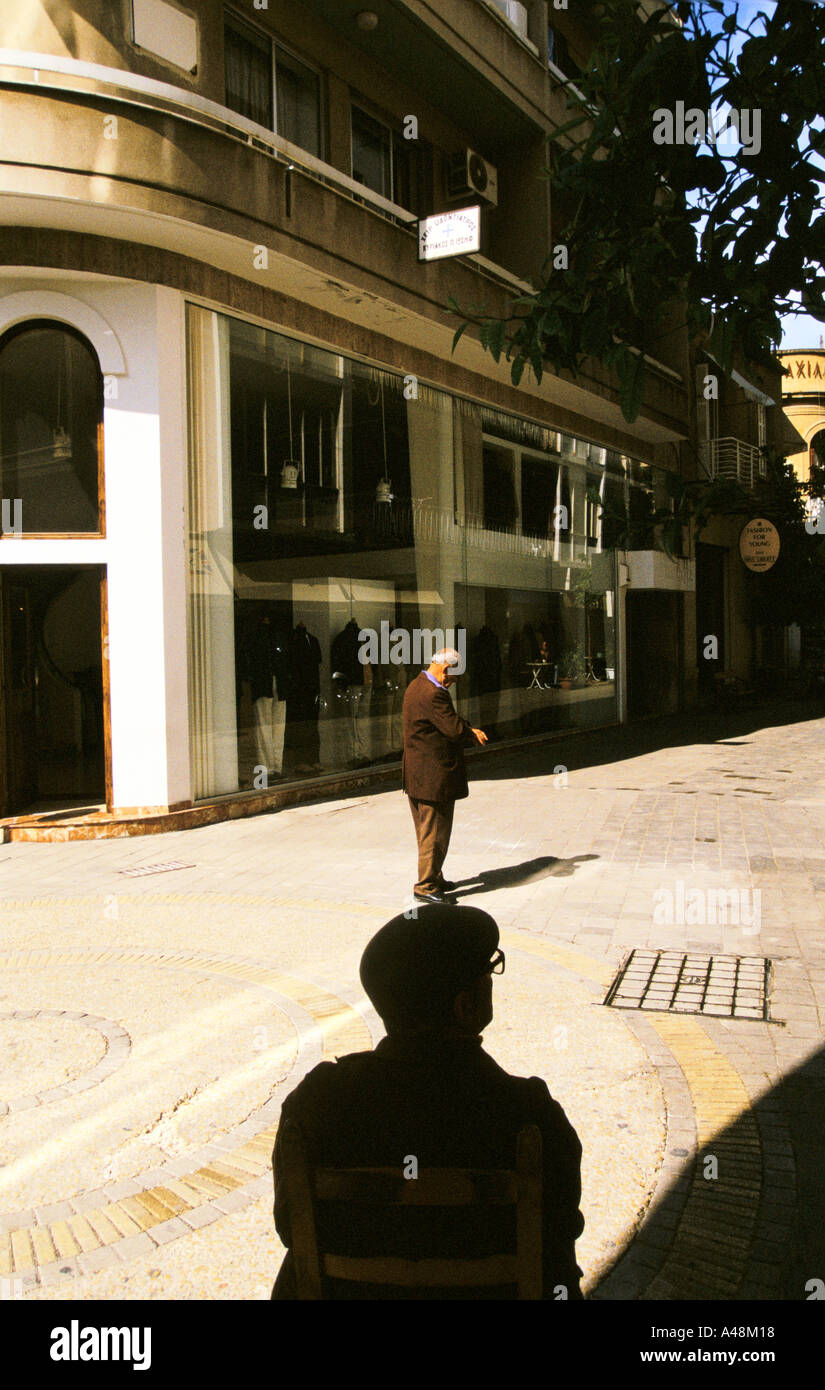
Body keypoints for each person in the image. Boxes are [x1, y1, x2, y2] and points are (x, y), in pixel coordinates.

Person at [270, 904, 585, 1300]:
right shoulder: (531, 1115)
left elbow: (290, 1227)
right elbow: (558, 1235)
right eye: (488, 970)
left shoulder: (315, 1103)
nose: (491, 978)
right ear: (464, 1007)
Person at [401, 647, 487, 906]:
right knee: (434, 831)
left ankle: (434, 876)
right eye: (452, 678)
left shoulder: (416, 686)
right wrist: (471, 732)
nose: (451, 683)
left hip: (418, 775)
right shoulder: (433, 693)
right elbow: (452, 727)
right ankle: (425, 886)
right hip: (432, 776)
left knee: (427, 830)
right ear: (445, 669)